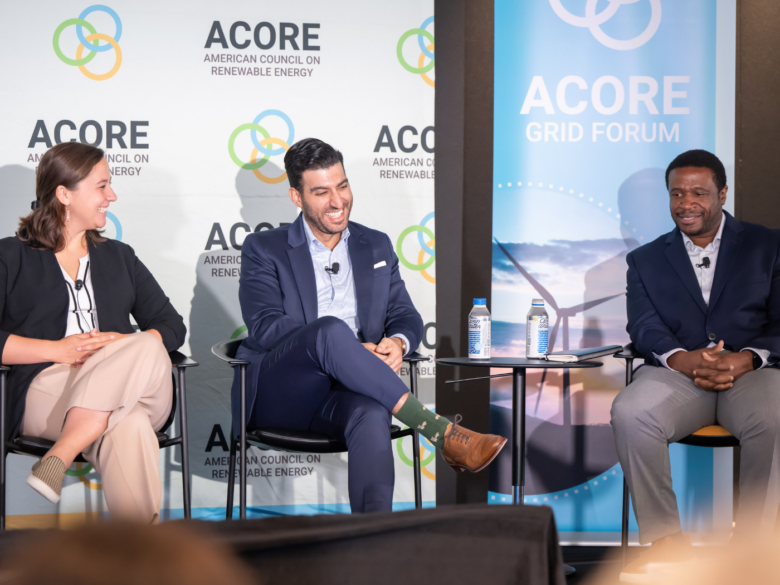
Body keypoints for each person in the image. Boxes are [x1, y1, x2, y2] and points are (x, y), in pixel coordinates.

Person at [234, 138, 506, 513]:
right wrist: (340, 349)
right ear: (297, 197)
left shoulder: (375, 246)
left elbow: (405, 316)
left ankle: (375, 542)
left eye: (342, 186)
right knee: (330, 331)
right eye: (321, 192)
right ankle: (440, 431)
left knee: (372, 411)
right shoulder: (264, 248)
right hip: (285, 395)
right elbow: (265, 326)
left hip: (351, 392)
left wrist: (397, 341)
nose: (337, 200)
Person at [611, 149, 780, 582]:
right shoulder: (644, 260)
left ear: (723, 193)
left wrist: (745, 359)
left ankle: (751, 551)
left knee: (775, 415)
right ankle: (667, 544)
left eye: (699, 193)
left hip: (752, 374)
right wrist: (683, 359)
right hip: (677, 376)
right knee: (631, 411)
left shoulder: (769, 246)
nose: (686, 203)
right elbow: (644, 326)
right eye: (676, 193)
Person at [0, 142, 186, 523]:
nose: (111, 196)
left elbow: (172, 326)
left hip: (134, 386)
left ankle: (61, 454)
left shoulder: (120, 257)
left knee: (146, 345)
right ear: (64, 194)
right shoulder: (10, 256)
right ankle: (144, 564)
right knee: (129, 425)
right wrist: (58, 350)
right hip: (49, 386)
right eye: (102, 186)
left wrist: (122, 344)